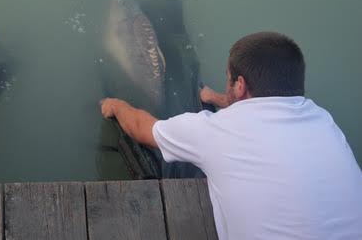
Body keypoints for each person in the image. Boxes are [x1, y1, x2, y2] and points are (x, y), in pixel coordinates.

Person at [101, 31, 362, 240]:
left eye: (229, 79)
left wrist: (115, 106)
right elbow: (265, 115)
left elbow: (142, 129)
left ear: (240, 84)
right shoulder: (323, 120)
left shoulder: (215, 131)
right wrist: (215, 98)